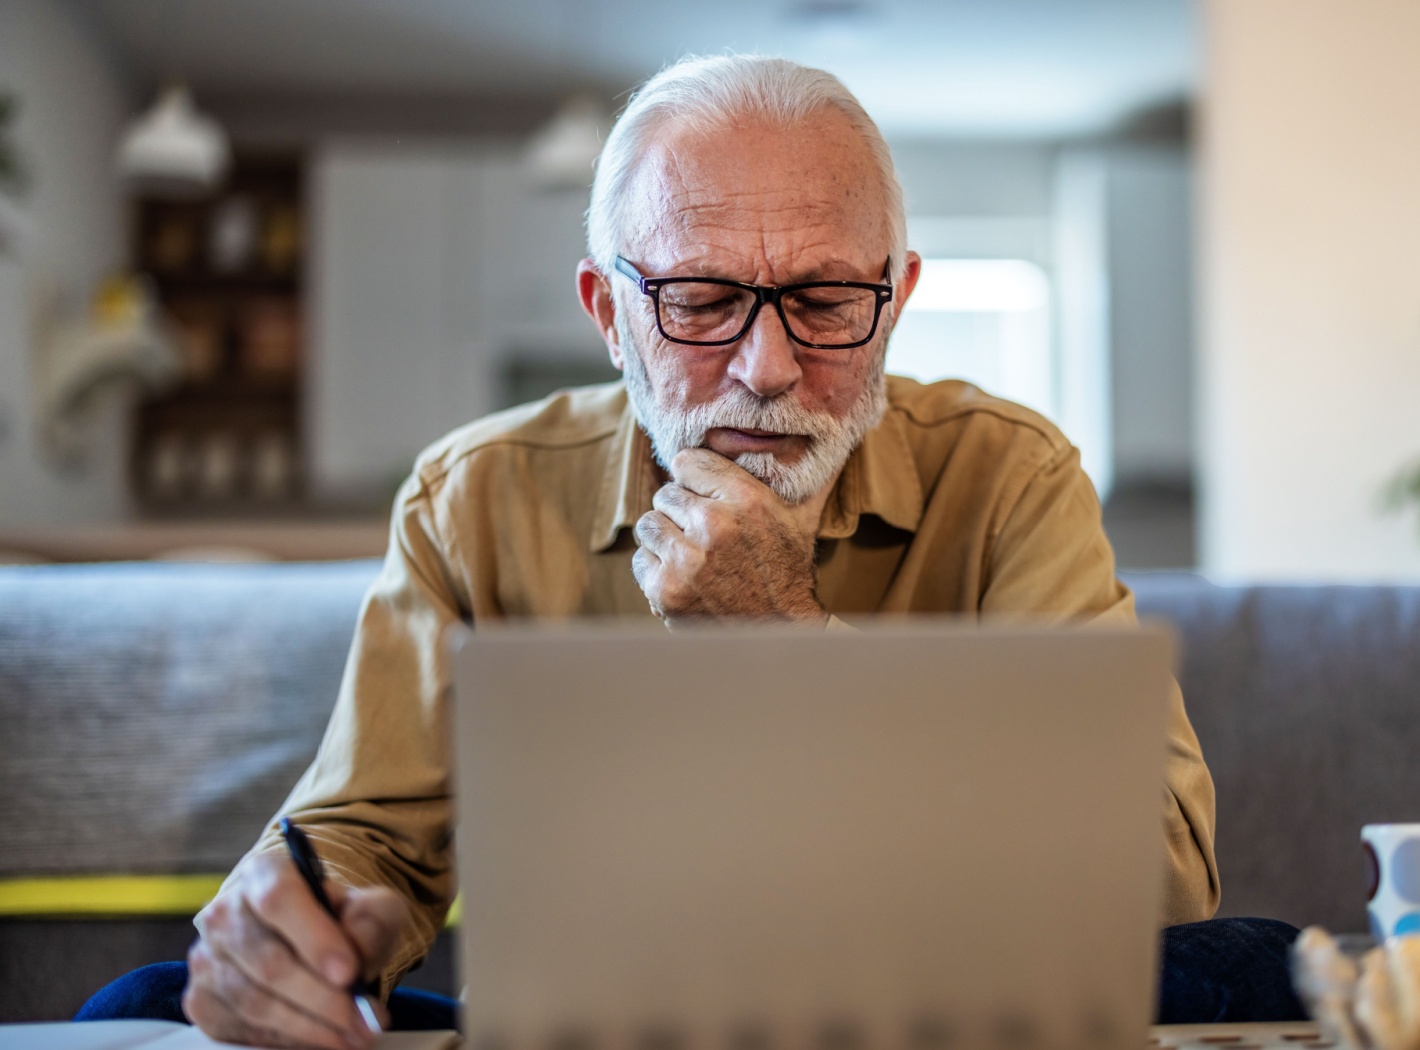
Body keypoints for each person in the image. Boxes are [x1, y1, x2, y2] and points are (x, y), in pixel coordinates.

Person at [77, 55, 1303, 1047]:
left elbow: (1153, 882)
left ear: (898, 297)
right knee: (147, 1009)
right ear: (609, 315)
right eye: (701, 303)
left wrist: (785, 643)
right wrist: (293, 939)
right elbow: (364, 841)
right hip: (600, 1026)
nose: (768, 371)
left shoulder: (1007, 476)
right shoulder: (476, 497)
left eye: (825, 303)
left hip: (948, 1016)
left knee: (1268, 964)